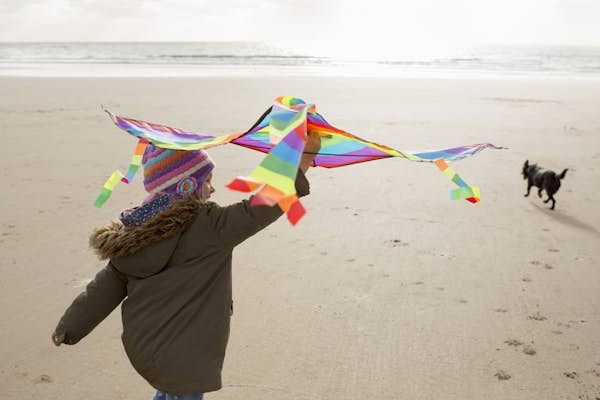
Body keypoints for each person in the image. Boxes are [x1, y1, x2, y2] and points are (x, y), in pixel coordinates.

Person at [52, 133, 321, 400]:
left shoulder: (133, 232)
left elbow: (101, 292)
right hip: (190, 352)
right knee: (183, 393)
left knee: (170, 391)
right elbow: (261, 206)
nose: (213, 190)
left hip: (148, 345)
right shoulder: (212, 227)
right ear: (186, 187)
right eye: (207, 182)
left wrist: (68, 328)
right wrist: (302, 160)